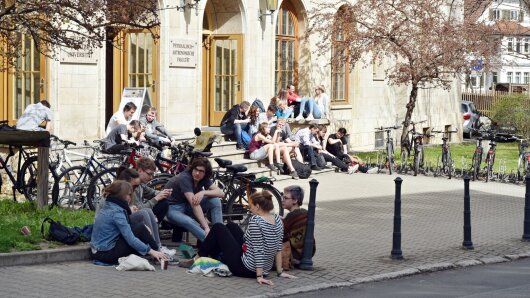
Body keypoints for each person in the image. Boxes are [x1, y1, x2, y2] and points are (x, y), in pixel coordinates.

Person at [179, 191, 297, 285]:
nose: (249, 209)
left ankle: (197, 259)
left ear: (257, 206)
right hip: (259, 265)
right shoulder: (277, 219)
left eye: (251, 206)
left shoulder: (256, 221)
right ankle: (212, 254)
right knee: (231, 226)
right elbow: (278, 247)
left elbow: (258, 249)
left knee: (218, 227)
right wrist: (279, 272)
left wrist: (259, 276)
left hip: (245, 268)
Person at [90, 180, 168, 264]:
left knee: (140, 228)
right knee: (140, 228)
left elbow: (125, 226)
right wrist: (151, 251)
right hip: (105, 254)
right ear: (122, 196)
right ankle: (159, 254)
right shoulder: (117, 212)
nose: (131, 197)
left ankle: (157, 253)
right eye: (129, 194)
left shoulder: (109, 205)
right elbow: (131, 239)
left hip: (98, 251)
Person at [164, 158, 224, 242]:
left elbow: (221, 193)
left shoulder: (204, 179)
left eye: (201, 171)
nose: (197, 173)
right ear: (192, 168)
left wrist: (203, 193)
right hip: (172, 208)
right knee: (189, 221)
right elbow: (194, 204)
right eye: (196, 169)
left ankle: (220, 234)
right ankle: (212, 243)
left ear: (205, 173)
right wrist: (206, 227)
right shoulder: (185, 177)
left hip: (186, 205)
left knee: (215, 201)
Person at [281, 186, 316, 267]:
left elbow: (281, 234)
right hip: (307, 252)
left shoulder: (292, 216)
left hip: (296, 254)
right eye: (282, 197)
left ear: (295, 200)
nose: (282, 200)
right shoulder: (304, 213)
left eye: (285, 198)